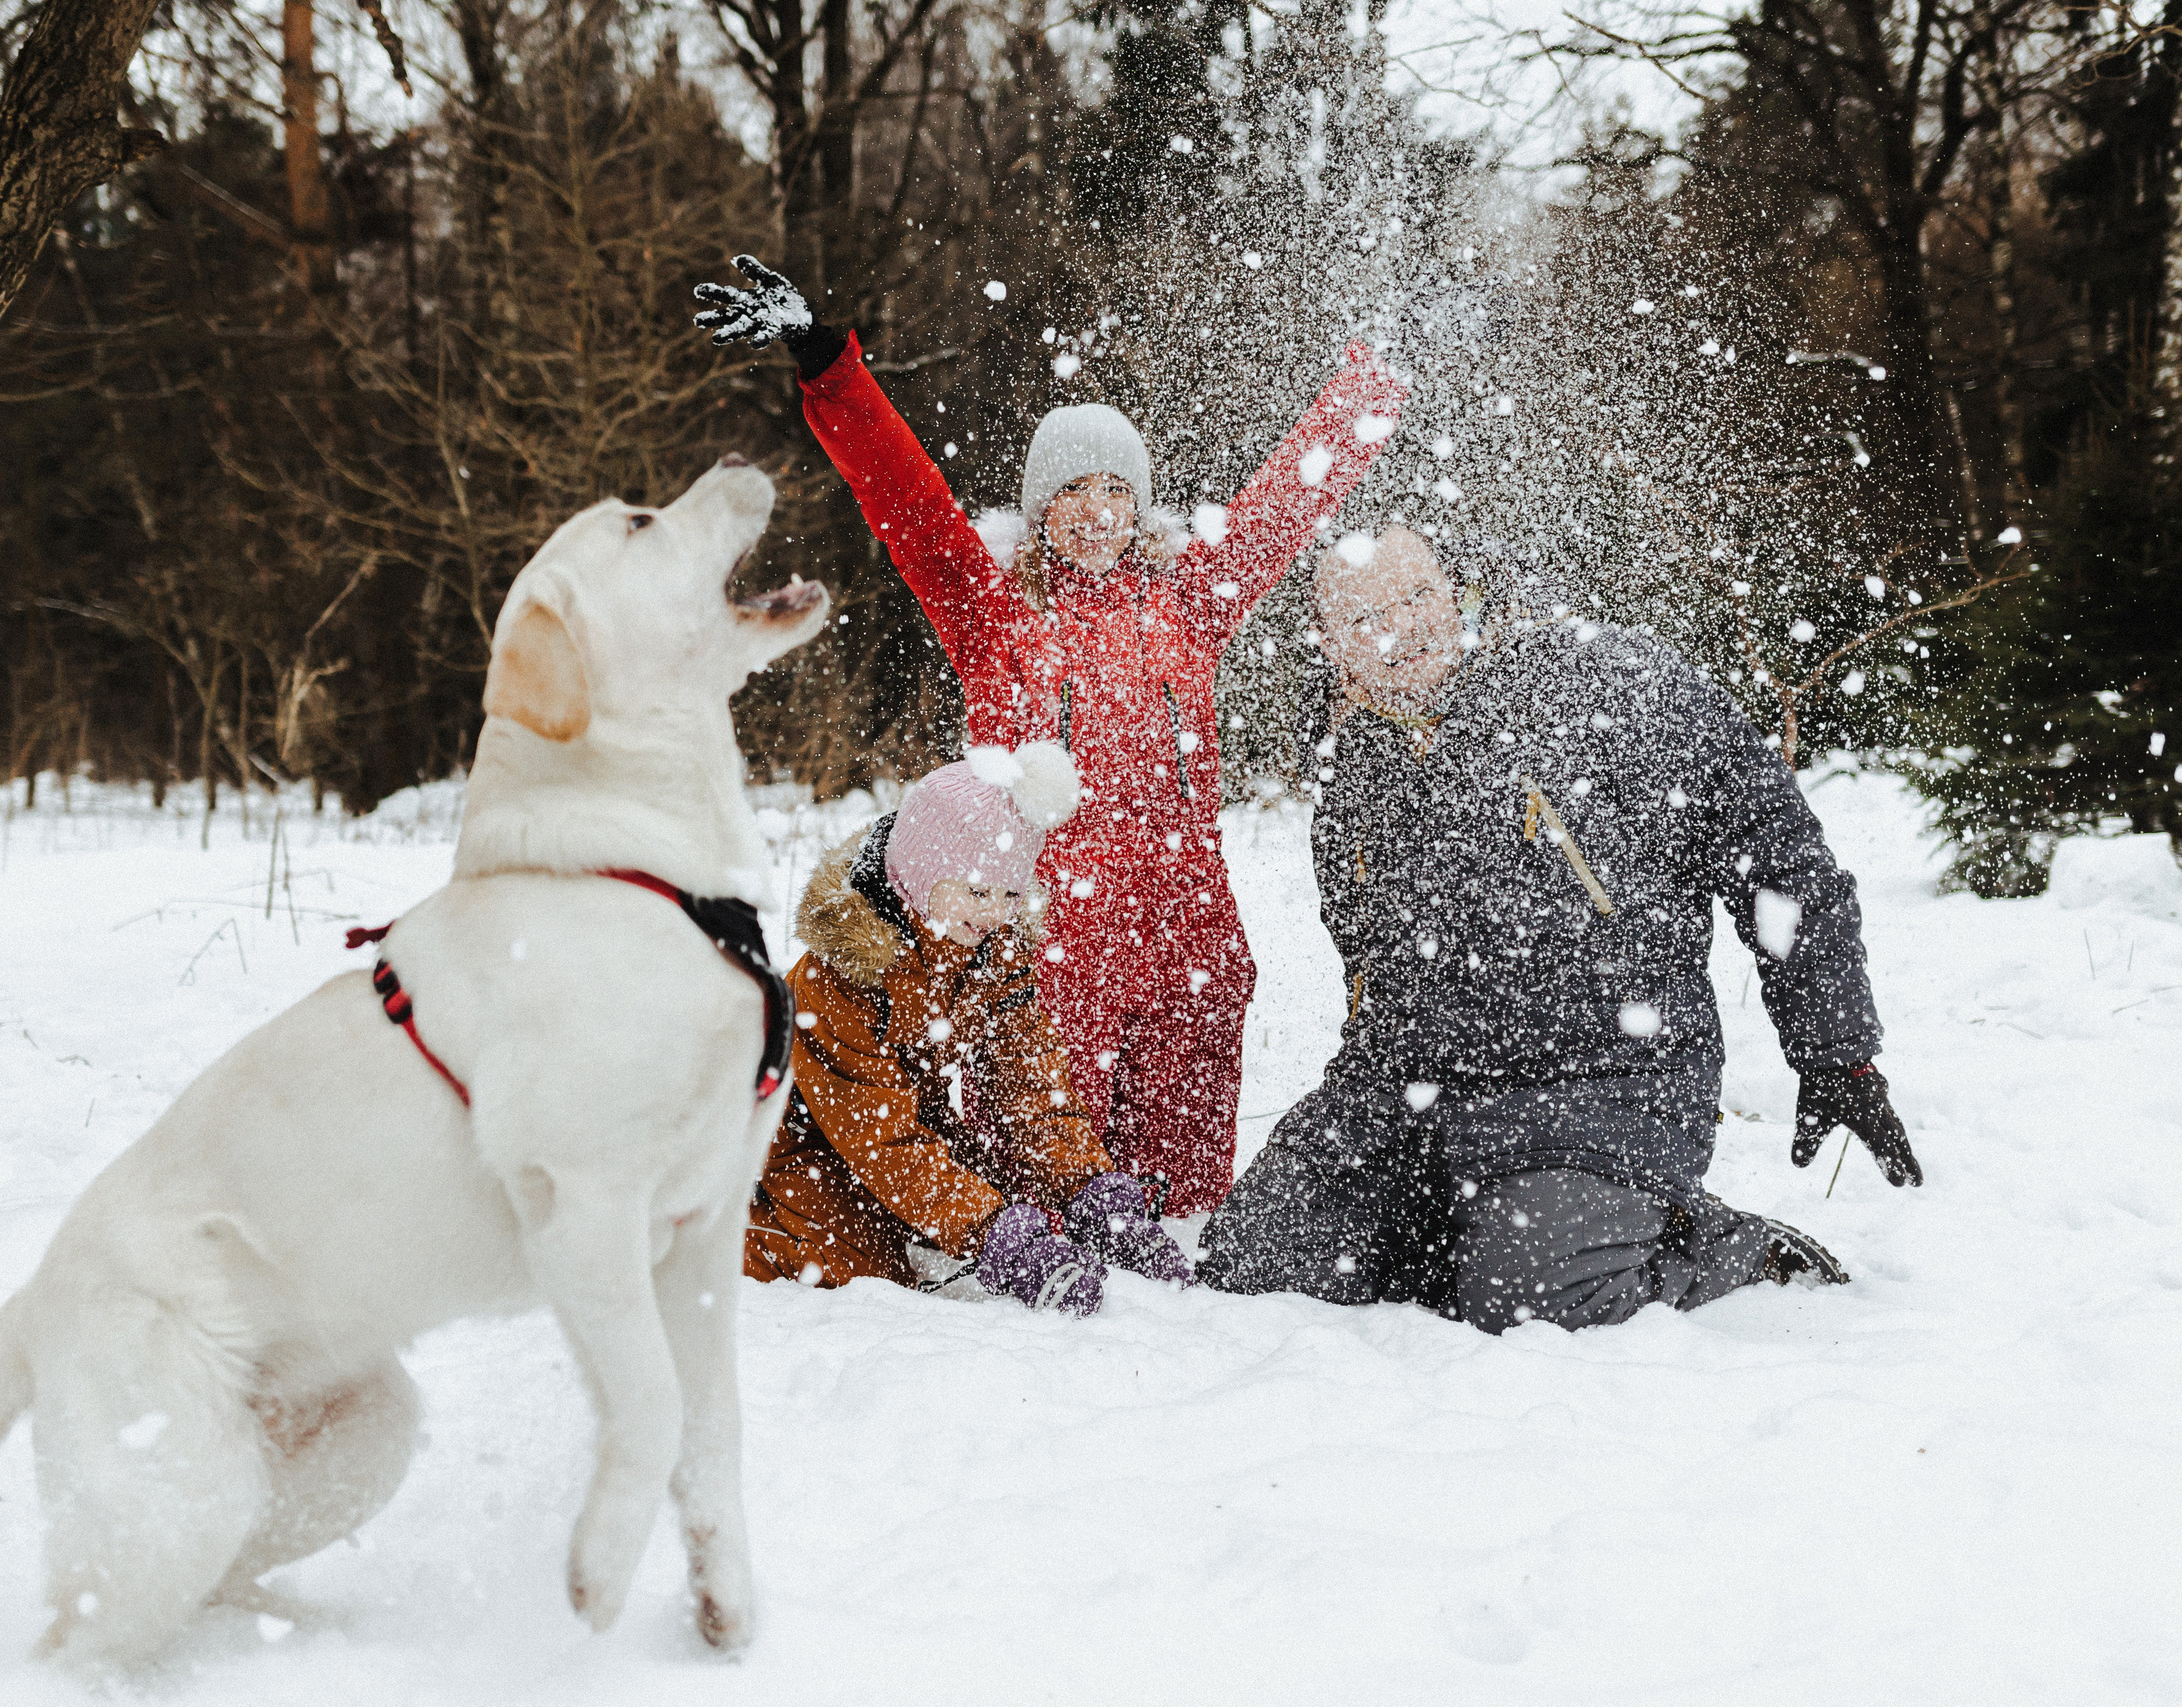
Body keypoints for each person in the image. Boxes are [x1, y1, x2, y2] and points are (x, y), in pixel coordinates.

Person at [692, 257, 1408, 1213]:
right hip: (1051, 963)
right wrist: (831, 367)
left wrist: (1375, 381)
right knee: (1060, 1220)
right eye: (1076, 489)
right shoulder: (992, 617)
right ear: (1040, 509)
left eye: (1119, 487)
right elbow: (906, 501)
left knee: (1186, 1231)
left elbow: (1286, 502)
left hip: (1192, 949)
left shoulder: (1191, 605)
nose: (1101, 508)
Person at [1197, 527, 1920, 1332]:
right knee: (1257, 1257)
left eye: (1417, 598)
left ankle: (1714, 1245)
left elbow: (1774, 848)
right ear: (1330, 645)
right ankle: (1505, 1233)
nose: (1402, 629)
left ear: (1454, 593)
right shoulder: (1354, 771)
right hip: (1422, 1088)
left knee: (1527, 1300)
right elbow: (1375, 979)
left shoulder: (1595, 680)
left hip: (1605, 1082)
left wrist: (1837, 1054)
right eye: (1367, 617)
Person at [745, 741, 1195, 1316]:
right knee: (855, 1274)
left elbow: (1027, 1083)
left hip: (906, 1130)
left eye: (1010, 893)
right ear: (917, 873)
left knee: (982, 1197)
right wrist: (991, 1231)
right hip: (797, 1150)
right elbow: (879, 1138)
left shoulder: (987, 947)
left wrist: (1093, 1193)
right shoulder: (839, 976)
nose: (993, 912)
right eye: (977, 891)